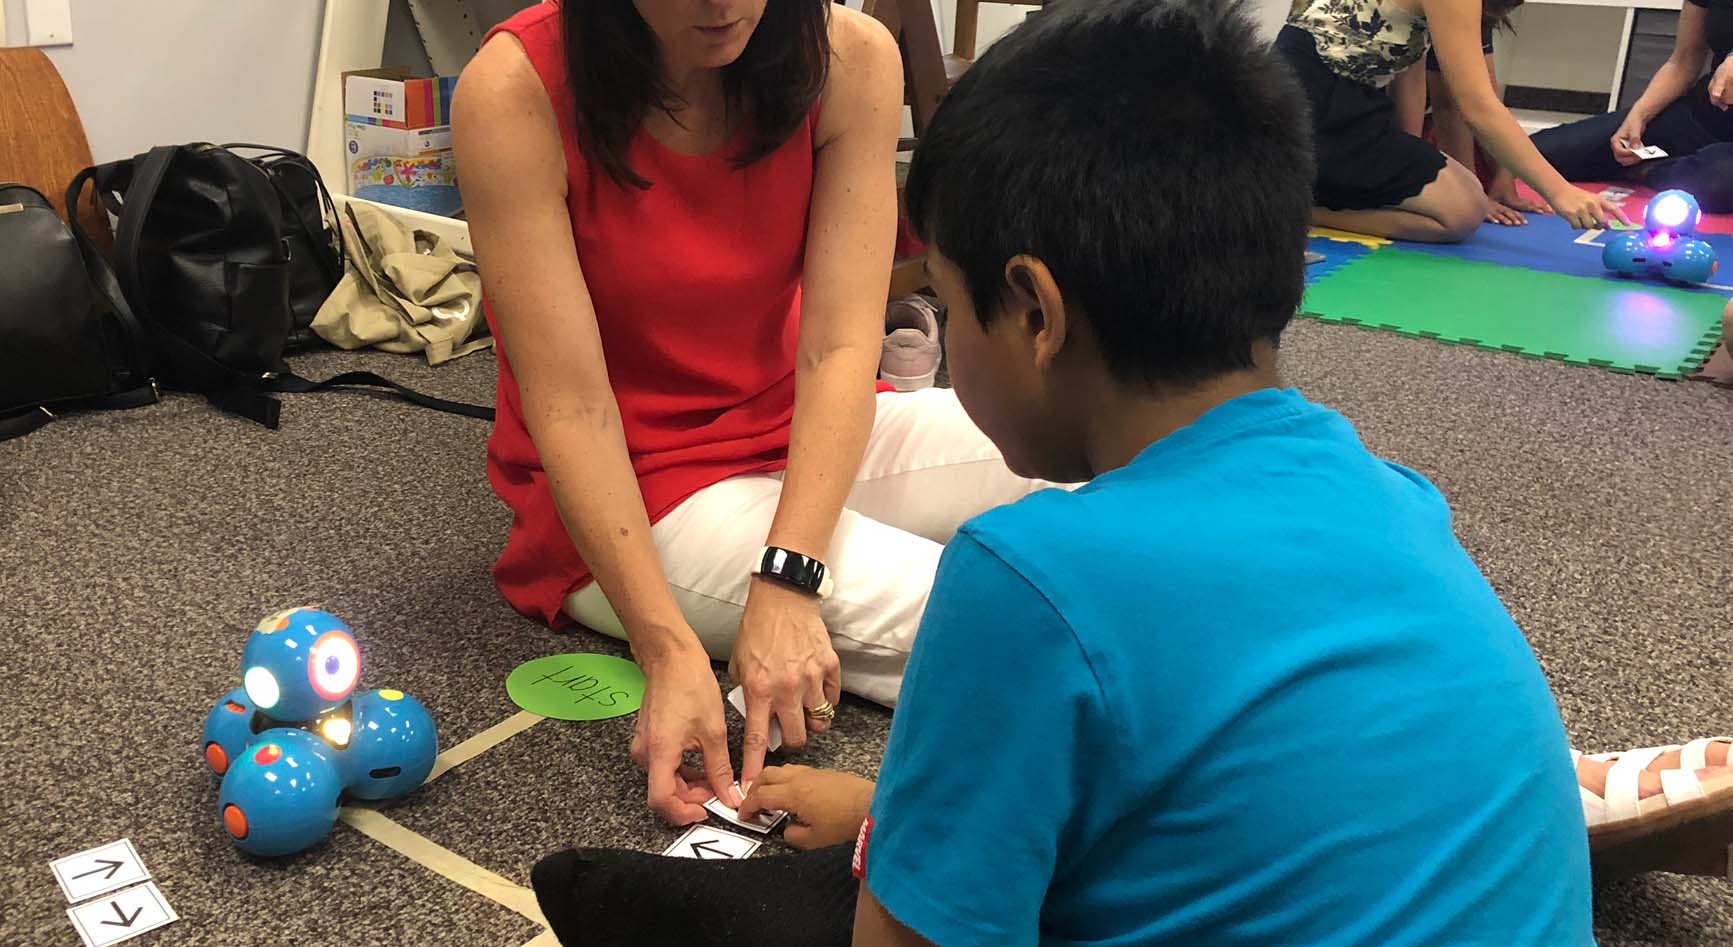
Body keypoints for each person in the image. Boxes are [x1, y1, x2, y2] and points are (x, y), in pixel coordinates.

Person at [528, 1, 1618, 943]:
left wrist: (886, 845)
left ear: (1034, 313)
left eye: (947, 309)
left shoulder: (1018, 583)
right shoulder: (1397, 496)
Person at [453, 0, 1051, 826]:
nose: (721, 3)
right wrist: (668, 648)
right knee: (1001, 615)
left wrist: (788, 575)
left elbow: (840, 349)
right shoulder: (513, 89)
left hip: (806, 423)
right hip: (638, 494)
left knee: (1081, 456)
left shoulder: (850, 57)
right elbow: (573, 408)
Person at [1277, 0, 1626, 241]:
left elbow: (1409, 69)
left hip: (1313, 100)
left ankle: (1300, 197)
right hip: (1310, 108)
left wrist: (1408, 159)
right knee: (1462, 214)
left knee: (1465, 193)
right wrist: (1559, 190)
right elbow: (1477, 107)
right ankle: (1305, 213)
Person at [1512, 0, 1733, 213]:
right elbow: (1682, 62)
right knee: (1533, 154)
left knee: (1717, 178)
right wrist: (1638, 117)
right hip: (1703, 115)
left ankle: (1649, 170)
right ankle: (1671, 165)